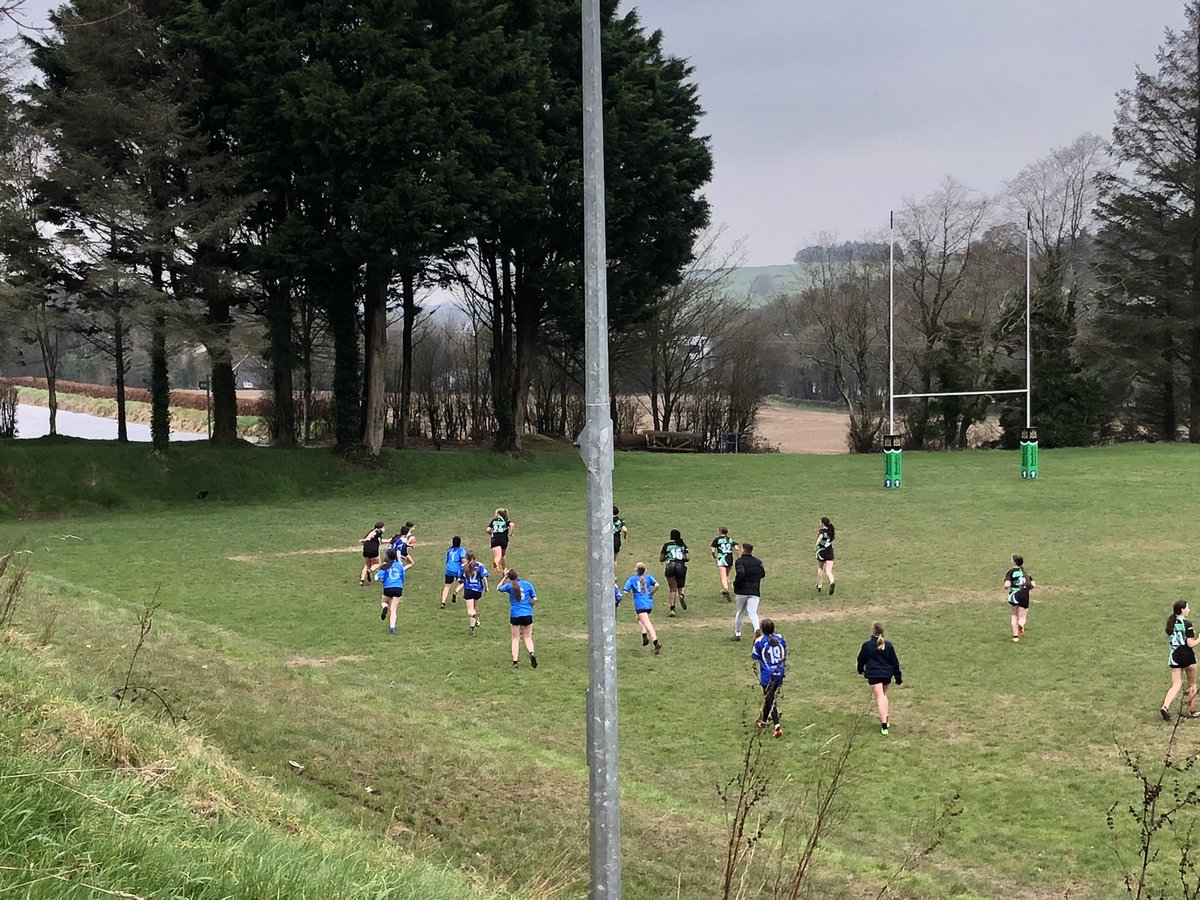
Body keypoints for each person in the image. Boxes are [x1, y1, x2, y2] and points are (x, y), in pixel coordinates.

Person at [857, 622, 902, 735]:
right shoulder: (888, 645)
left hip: (874, 675)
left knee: (879, 697)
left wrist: (860, 670)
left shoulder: (867, 645)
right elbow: (894, 662)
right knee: (884, 695)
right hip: (886, 674)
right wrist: (898, 677)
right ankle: (886, 719)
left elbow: (860, 659)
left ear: (873, 631)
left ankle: (884, 725)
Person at [1161, 599, 1200, 720]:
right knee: (1192, 684)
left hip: (1175, 657)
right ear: (1182, 610)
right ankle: (1191, 711)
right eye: (1187, 608)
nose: (1189, 610)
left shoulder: (1170, 624)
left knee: (1176, 684)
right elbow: (1190, 644)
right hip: (1187, 657)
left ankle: (1165, 706)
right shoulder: (1187, 624)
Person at [751, 618, 787, 739]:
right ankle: (764, 720)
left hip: (768, 674)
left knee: (770, 698)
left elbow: (755, 656)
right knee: (769, 697)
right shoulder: (780, 638)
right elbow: (784, 652)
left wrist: (755, 640)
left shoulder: (760, 641)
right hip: (780, 671)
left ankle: (777, 726)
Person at [498, 568, 537, 668]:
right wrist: (529, 606)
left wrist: (504, 577)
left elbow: (498, 588)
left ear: (509, 577)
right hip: (527, 613)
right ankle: (531, 653)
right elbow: (534, 598)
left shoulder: (509, 586)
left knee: (515, 638)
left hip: (515, 614)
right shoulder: (527, 584)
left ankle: (515, 661)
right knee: (528, 637)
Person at [622, 563, 662, 655]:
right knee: (639, 618)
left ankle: (655, 641)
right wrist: (651, 593)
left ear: (636, 570)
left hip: (640, 604)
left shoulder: (632, 579)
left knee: (647, 623)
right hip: (648, 602)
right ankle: (644, 637)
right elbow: (657, 585)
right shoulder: (648, 577)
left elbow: (625, 591)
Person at [374, 549, 413, 635]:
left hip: (388, 587)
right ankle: (392, 627)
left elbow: (380, 578)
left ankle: (385, 607)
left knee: (384, 601)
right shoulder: (399, 565)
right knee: (394, 609)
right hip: (398, 587)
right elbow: (403, 576)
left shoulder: (385, 566)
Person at [732, 542, 765, 641]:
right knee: (753, 612)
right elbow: (762, 574)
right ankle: (757, 629)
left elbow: (741, 573)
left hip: (742, 591)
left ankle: (738, 633)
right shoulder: (758, 562)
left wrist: (736, 583)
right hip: (754, 590)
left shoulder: (740, 561)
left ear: (743, 550)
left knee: (740, 612)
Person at [1004, 554, 1037, 642]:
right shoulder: (1026, 573)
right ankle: (1021, 624)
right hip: (1024, 594)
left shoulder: (1010, 572)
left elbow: (1007, 584)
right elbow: (1033, 585)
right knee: (1022, 616)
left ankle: (1015, 636)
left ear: (1014, 562)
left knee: (1014, 615)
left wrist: (1007, 586)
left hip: (1014, 595)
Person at [659, 529, 690, 617]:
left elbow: (661, 558)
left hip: (670, 566)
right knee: (681, 585)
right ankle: (681, 594)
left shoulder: (667, 545)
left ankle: (672, 609)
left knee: (672, 589)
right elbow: (687, 558)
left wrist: (667, 557)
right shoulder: (682, 545)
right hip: (681, 566)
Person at [461, 550, 489, 636]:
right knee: (474, 608)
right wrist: (486, 587)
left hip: (469, 589)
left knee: (470, 611)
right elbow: (484, 577)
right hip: (478, 590)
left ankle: (473, 624)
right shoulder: (480, 565)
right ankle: (474, 623)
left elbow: (461, 579)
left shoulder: (463, 566)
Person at [710, 526, 740, 601]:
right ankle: (725, 589)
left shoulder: (717, 540)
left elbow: (713, 551)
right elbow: (737, 548)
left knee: (723, 576)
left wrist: (714, 556)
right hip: (729, 559)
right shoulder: (730, 539)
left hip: (721, 559)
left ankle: (726, 590)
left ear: (720, 531)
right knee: (726, 575)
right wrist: (738, 557)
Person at [440, 536, 467, 609]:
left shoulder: (450, 550)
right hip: (457, 570)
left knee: (447, 585)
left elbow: (447, 560)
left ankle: (443, 602)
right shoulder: (461, 550)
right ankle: (455, 591)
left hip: (448, 569)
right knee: (464, 581)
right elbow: (463, 561)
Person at [487, 508, 514, 573]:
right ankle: (504, 570)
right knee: (503, 555)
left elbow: (488, 529)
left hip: (495, 539)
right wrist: (510, 533)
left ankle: (496, 563)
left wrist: (491, 533)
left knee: (497, 555)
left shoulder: (494, 521)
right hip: (504, 539)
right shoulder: (506, 521)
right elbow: (512, 525)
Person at [359, 521, 385, 586]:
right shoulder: (377, 531)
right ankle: (370, 571)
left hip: (366, 550)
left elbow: (381, 541)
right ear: (381, 528)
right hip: (373, 551)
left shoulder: (378, 535)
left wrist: (391, 540)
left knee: (367, 564)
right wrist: (367, 539)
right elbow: (372, 534)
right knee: (377, 564)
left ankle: (362, 580)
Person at [815, 517, 835, 596]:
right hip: (829, 552)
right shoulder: (831, 531)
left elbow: (820, 537)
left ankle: (819, 585)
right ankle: (832, 582)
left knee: (820, 568)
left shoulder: (821, 531)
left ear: (823, 523)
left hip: (822, 552)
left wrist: (815, 545)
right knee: (829, 571)